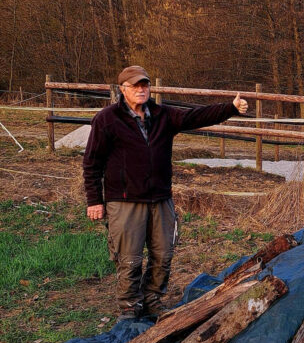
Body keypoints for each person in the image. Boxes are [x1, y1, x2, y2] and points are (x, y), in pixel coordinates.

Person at [83, 66, 248, 320]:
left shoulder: (162, 115)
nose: (141, 89)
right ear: (123, 89)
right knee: (129, 257)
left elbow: (195, 117)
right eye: (136, 85)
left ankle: (152, 301)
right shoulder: (107, 119)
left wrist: (230, 108)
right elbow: (92, 162)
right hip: (125, 201)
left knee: (163, 254)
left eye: (145, 85)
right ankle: (130, 307)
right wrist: (95, 200)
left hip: (161, 198)